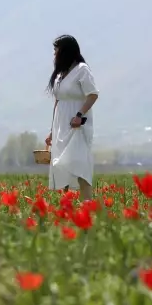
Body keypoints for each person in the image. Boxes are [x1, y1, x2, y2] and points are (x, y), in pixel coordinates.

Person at [46, 34, 99, 201]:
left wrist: (79, 115)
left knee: (80, 164)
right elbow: (58, 101)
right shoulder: (61, 74)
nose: (54, 55)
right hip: (61, 125)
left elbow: (92, 95)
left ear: (66, 51)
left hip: (77, 126)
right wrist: (51, 132)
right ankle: (66, 207)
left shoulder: (82, 70)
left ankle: (87, 203)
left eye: (57, 51)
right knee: (62, 165)